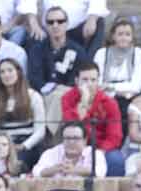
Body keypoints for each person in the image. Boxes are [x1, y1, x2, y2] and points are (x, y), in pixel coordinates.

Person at [27, 6, 87, 137]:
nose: (55, 25)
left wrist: (60, 89)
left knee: (59, 96)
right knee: (55, 96)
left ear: (67, 24)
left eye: (60, 21)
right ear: (46, 26)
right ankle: (54, 136)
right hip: (43, 93)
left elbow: (80, 77)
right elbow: (34, 78)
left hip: (70, 93)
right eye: (50, 22)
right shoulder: (37, 49)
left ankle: (47, 135)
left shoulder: (78, 50)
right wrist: (52, 88)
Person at [61, 61, 124, 176]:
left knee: (116, 159)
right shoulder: (67, 98)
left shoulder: (109, 102)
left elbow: (115, 136)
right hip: (74, 145)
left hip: (101, 147)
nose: (89, 84)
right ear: (77, 81)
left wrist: (98, 153)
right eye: (85, 80)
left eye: (93, 80)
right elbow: (71, 126)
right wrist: (84, 101)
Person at [94, 16, 141, 139]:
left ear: (132, 37)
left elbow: (136, 86)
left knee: (123, 109)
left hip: (129, 99)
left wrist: (111, 87)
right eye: (120, 34)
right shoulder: (101, 53)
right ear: (113, 36)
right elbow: (97, 82)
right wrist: (118, 91)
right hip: (105, 98)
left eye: (127, 34)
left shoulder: (139, 53)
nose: (124, 37)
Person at [0, 57, 45, 171]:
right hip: (3, 146)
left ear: (18, 72)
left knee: (15, 165)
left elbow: (40, 131)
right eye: (2, 72)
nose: (6, 75)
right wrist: (1, 146)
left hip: (27, 146)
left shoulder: (33, 96)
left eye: (10, 70)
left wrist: (23, 146)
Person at [27, 0, 110, 58]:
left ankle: (88, 70)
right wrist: (33, 22)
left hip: (80, 29)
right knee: (34, 35)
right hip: (51, 27)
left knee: (98, 22)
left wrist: (92, 18)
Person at [32, 120, 107, 177]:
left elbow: (100, 172)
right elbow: (36, 172)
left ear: (85, 140)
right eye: (67, 138)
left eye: (76, 138)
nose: (71, 142)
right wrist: (54, 169)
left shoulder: (94, 153)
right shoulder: (52, 153)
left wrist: (74, 170)